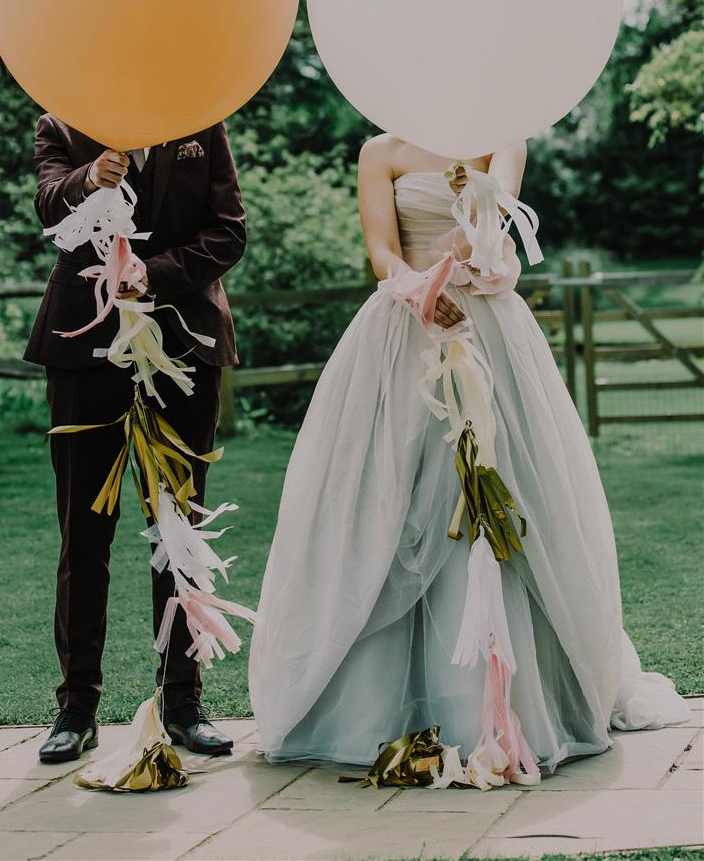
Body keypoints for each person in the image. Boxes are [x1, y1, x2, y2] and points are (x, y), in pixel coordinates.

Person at [249, 134, 689, 773]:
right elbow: (379, 248)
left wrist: (466, 218)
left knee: (496, 487)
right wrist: (414, 288)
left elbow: (500, 215)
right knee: (391, 496)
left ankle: (502, 706)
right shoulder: (382, 150)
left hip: (484, 322)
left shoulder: (501, 136)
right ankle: (376, 707)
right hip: (403, 330)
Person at [25, 114, 245, 763]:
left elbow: (228, 230)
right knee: (83, 533)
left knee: (178, 529)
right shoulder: (62, 120)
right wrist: (89, 178)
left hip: (184, 343)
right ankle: (76, 707)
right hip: (83, 346)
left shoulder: (203, 117)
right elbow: (46, 199)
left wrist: (156, 272)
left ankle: (183, 701)